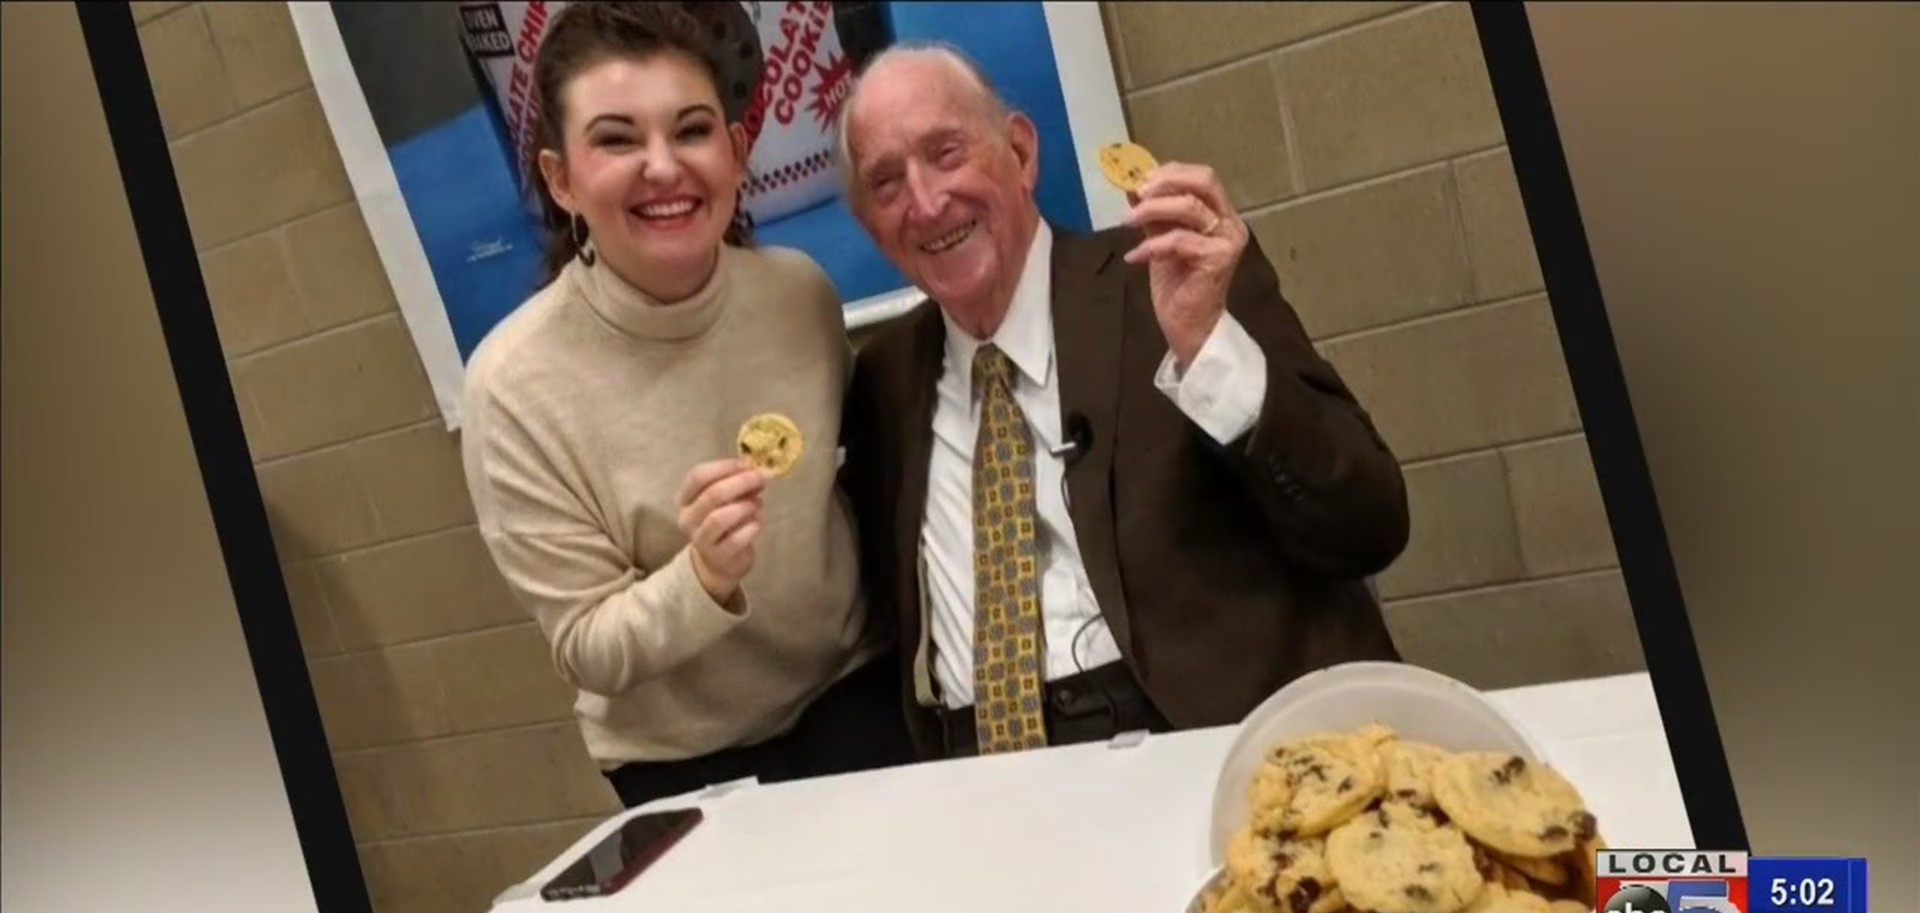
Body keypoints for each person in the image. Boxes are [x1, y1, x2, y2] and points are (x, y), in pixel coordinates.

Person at [834, 45, 1411, 760]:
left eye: (946, 153)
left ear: (1019, 152)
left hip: (1207, 748)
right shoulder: (882, 383)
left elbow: (1369, 524)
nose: (924, 203)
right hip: (984, 784)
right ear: (868, 223)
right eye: (886, 183)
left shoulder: (1171, 288)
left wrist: (1209, 351)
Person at [459, 2, 913, 809]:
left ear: (737, 154)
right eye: (617, 139)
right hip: (681, 758)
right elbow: (587, 648)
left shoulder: (797, 294)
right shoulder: (514, 389)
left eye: (692, 130)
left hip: (852, 693)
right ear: (561, 178)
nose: (663, 167)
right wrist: (701, 577)